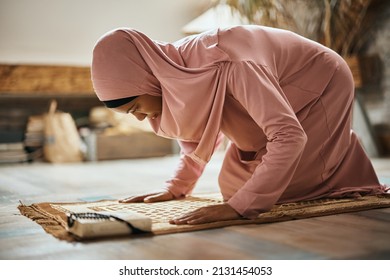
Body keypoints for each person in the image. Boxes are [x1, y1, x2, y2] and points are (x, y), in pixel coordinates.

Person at [91, 25, 387, 225]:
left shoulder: (232, 64)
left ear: (147, 79)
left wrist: (238, 209)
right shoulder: (176, 70)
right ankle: (329, 151)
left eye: (136, 107)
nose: (141, 118)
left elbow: (289, 135)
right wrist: (177, 188)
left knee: (270, 193)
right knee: (232, 187)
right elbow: (199, 133)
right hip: (278, 90)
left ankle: (337, 154)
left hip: (319, 83)